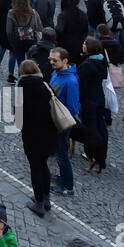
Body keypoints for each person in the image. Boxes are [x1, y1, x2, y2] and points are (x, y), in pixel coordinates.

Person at [17, 59, 56, 217]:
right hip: (49, 132)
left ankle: (39, 201)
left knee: (35, 167)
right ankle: (46, 198)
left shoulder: (22, 87)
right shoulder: (45, 85)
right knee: (44, 165)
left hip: (32, 133)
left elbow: (19, 116)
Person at [48, 47, 79, 197]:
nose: (52, 62)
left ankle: (68, 186)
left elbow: (73, 108)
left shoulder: (71, 81)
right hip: (54, 120)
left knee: (62, 154)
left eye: (55, 60)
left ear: (65, 61)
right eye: (51, 60)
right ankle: (63, 178)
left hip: (62, 122)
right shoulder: (56, 72)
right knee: (59, 152)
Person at [78, 37, 110, 173]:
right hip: (99, 97)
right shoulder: (102, 60)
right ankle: (102, 153)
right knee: (101, 127)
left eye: (85, 43)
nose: (83, 45)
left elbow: (82, 85)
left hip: (88, 99)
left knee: (91, 129)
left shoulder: (87, 65)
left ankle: (92, 154)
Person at [4, 0, 42, 85]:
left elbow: (9, 31)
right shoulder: (33, 12)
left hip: (18, 41)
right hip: (31, 40)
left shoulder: (11, 13)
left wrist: (12, 42)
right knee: (31, 61)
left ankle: (21, 82)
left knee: (21, 63)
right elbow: (39, 27)